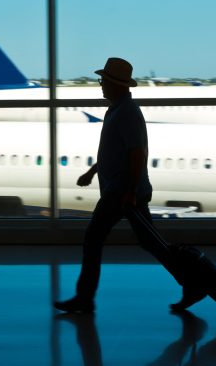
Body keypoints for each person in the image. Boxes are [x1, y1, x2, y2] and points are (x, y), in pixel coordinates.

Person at [54, 57, 164, 313]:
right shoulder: (116, 109)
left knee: (93, 238)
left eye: (104, 81)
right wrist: (92, 172)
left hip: (122, 192)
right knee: (152, 244)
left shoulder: (126, 112)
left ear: (116, 84)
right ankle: (191, 281)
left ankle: (84, 298)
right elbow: (114, 153)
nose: (101, 85)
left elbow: (137, 154)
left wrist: (129, 192)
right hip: (122, 189)